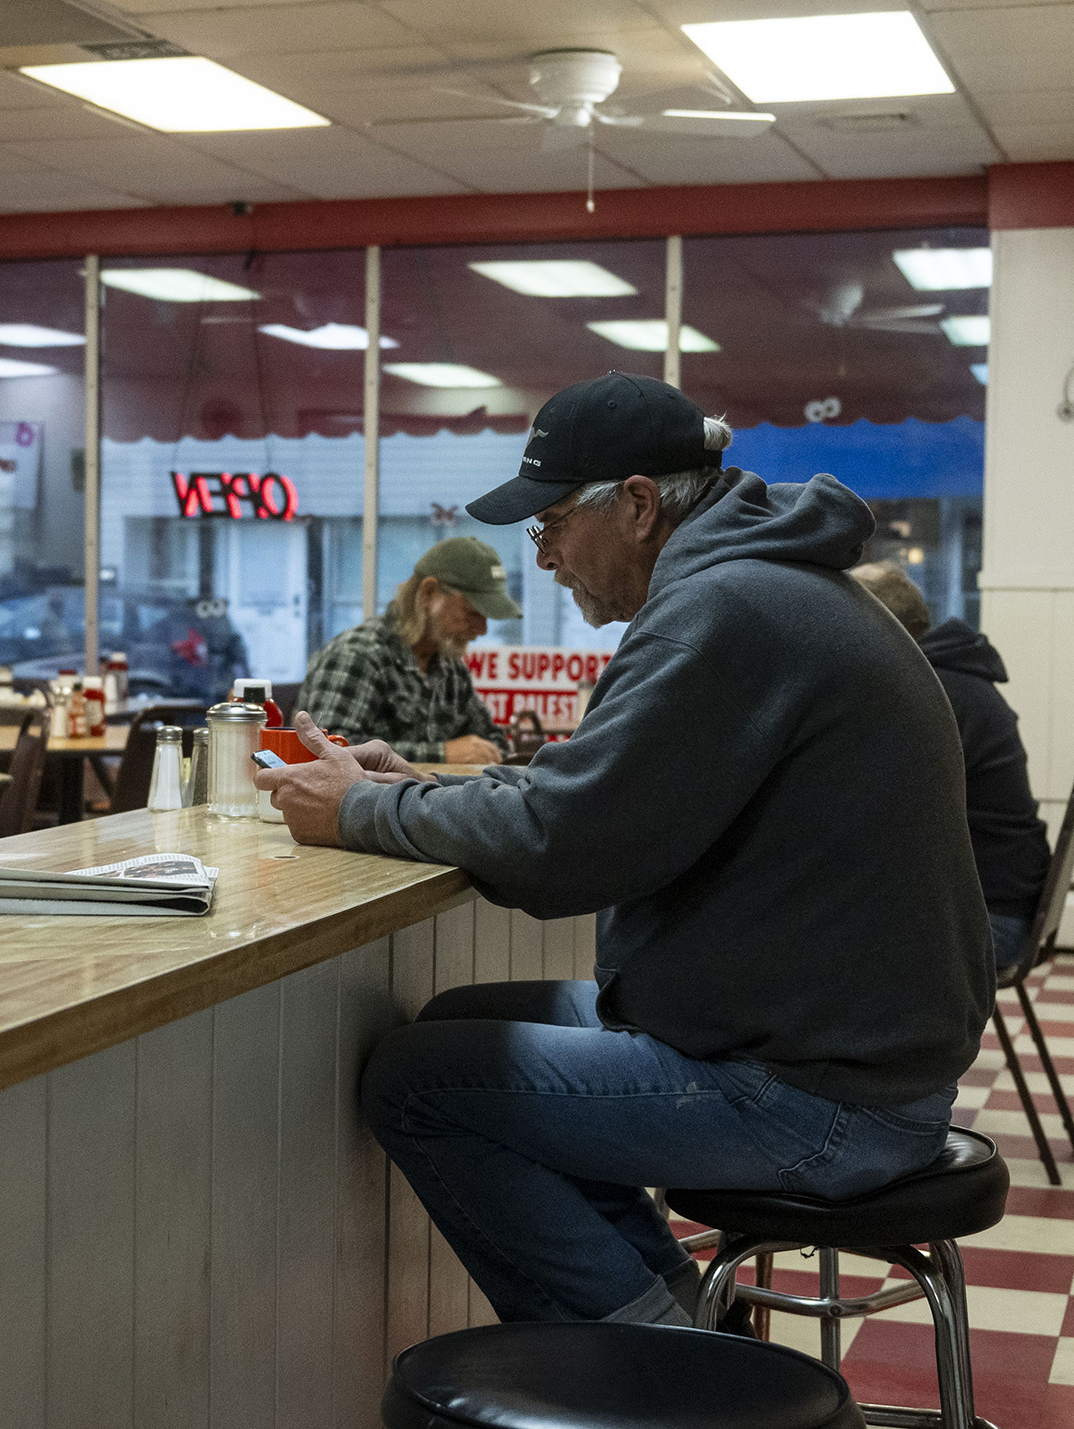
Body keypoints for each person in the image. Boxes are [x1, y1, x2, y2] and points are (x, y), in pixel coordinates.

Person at [254, 371, 990, 1330]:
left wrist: (357, 812)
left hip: (821, 1099)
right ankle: (684, 1319)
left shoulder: (725, 611)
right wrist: (411, 791)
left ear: (639, 505)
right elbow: (601, 795)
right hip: (842, 1054)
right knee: (463, 1019)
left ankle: (665, 1369)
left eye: (552, 523)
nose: (546, 555)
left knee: (419, 1081)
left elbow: (563, 848)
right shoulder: (760, 585)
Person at [851, 561, 1050, 974]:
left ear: (876, 630)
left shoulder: (931, 691)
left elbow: (876, 811)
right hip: (1000, 906)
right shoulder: (952, 677)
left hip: (987, 925)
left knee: (806, 951)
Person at [296, 537, 520, 764]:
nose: (482, 629)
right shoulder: (358, 655)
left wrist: (487, 750)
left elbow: (491, 739)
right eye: (472, 613)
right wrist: (442, 754)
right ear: (429, 594)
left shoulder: (448, 667)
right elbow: (328, 749)